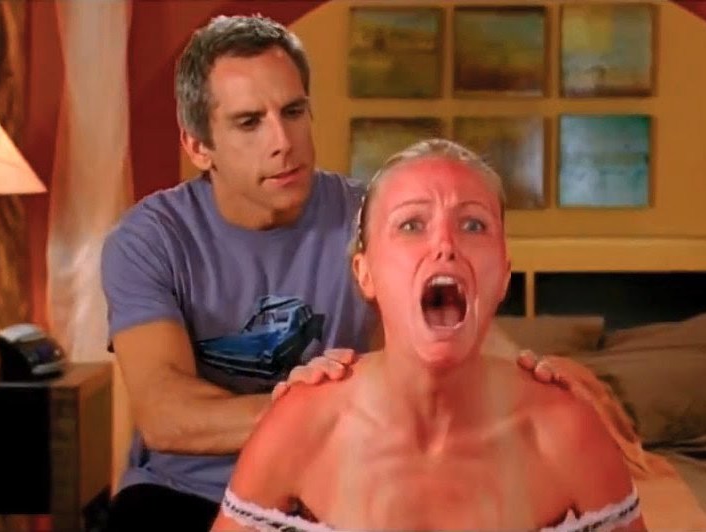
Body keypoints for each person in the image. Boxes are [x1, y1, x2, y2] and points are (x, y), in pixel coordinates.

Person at [100, 14, 562, 531]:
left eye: (293, 111)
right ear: (197, 146)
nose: (283, 141)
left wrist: (551, 381)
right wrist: (316, 409)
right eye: (249, 122)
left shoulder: (375, 217)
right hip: (183, 491)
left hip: (334, 488)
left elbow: (456, 337)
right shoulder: (150, 239)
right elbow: (166, 414)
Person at [211, 139, 646, 532]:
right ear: (365, 273)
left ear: (503, 276)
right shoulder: (302, 423)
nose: (445, 245)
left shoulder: (565, 431)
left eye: (472, 225)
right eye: (411, 225)